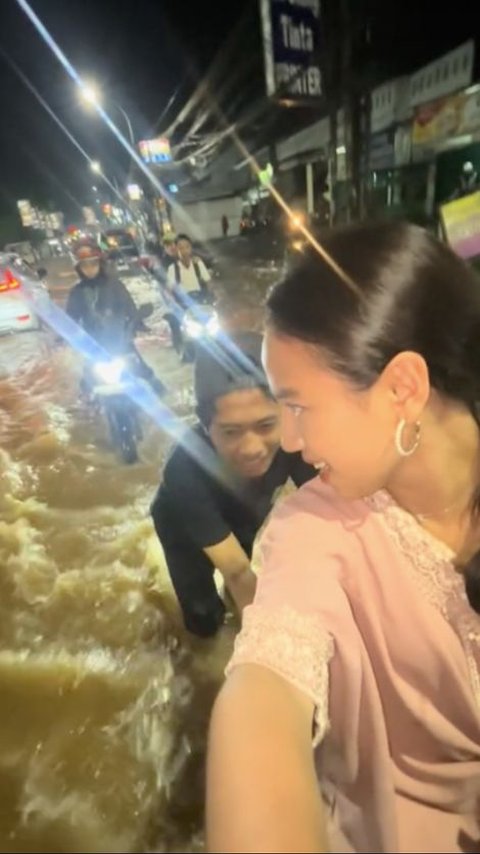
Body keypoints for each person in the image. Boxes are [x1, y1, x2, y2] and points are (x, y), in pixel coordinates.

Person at [207, 222, 480, 853]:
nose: (290, 443)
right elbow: (265, 691)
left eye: (297, 406)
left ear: (402, 389)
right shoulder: (313, 528)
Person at [150, 332, 315, 638]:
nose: (252, 448)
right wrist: (269, 646)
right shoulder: (184, 468)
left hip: (244, 508)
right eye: (230, 432)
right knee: (203, 615)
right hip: (181, 525)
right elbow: (238, 571)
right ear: (205, 425)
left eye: (266, 426)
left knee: (244, 576)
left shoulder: (295, 439)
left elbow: (330, 507)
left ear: (286, 412)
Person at [66, 241, 165, 395]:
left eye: (93, 264)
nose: (90, 269)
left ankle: (156, 385)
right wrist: (64, 336)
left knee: (143, 370)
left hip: (120, 340)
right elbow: (70, 318)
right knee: (86, 386)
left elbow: (129, 307)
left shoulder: (114, 285)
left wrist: (137, 321)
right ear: (79, 269)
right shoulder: (77, 293)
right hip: (95, 345)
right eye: (85, 266)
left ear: (100, 264)